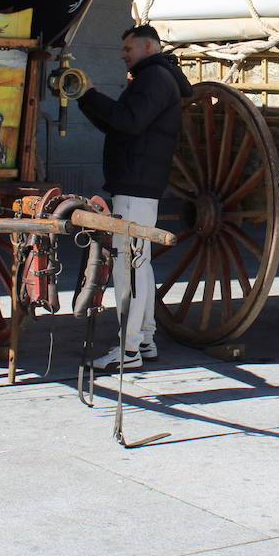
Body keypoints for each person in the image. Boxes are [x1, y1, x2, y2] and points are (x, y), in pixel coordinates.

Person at [77, 24, 192, 372]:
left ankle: (128, 351)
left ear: (146, 46)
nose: (123, 53)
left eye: (127, 47)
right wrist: (88, 98)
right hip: (139, 184)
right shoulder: (154, 78)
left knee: (128, 267)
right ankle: (144, 339)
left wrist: (90, 94)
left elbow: (127, 122)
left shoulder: (153, 79)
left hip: (135, 185)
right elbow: (121, 125)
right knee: (139, 264)